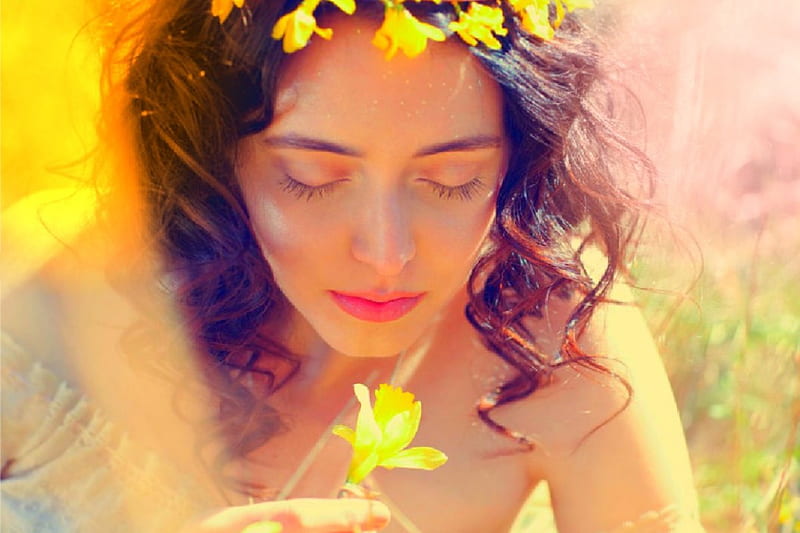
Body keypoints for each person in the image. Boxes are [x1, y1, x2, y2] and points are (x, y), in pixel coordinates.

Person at [1, 0, 706, 531]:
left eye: (453, 178)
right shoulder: (38, 293)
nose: (388, 252)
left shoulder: (544, 326)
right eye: (312, 176)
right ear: (216, 154)